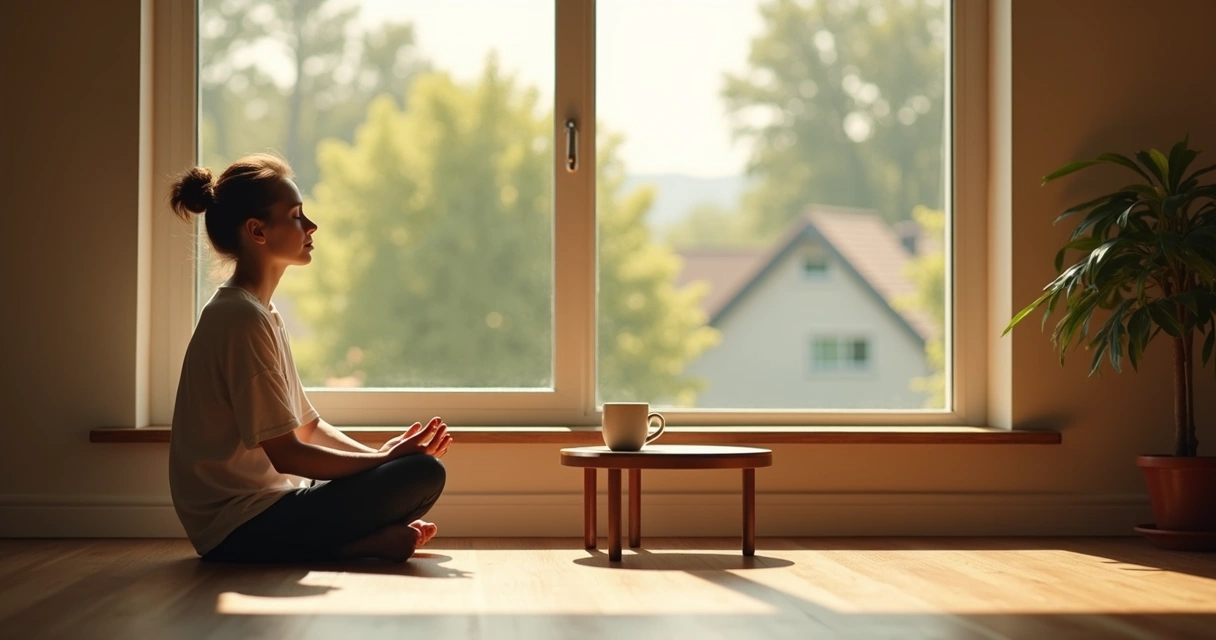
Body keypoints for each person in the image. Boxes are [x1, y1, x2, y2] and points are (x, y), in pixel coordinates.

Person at [167, 153, 451, 563]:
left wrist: (377, 459)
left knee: (415, 473)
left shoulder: (261, 312)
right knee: (421, 475)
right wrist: (383, 462)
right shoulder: (240, 318)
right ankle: (351, 546)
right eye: (297, 215)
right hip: (236, 529)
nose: (311, 226)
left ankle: (353, 542)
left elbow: (309, 426)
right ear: (257, 231)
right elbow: (286, 454)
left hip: (273, 506)